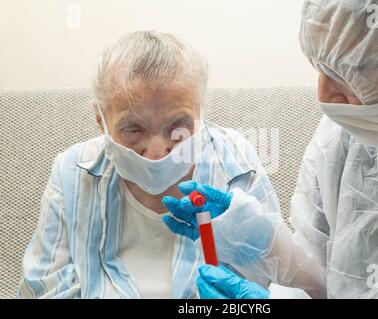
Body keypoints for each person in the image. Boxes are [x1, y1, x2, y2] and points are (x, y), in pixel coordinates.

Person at [163, 0, 378, 298]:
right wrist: (258, 241)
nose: (323, 95)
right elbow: (328, 279)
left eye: (355, 71)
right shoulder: (341, 135)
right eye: (321, 67)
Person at [17, 31, 282, 298]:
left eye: (178, 126)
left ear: (200, 111)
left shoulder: (234, 160)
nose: (156, 153)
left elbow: (270, 273)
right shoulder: (73, 171)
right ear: (101, 120)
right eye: (133, 128)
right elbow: (42, 289)